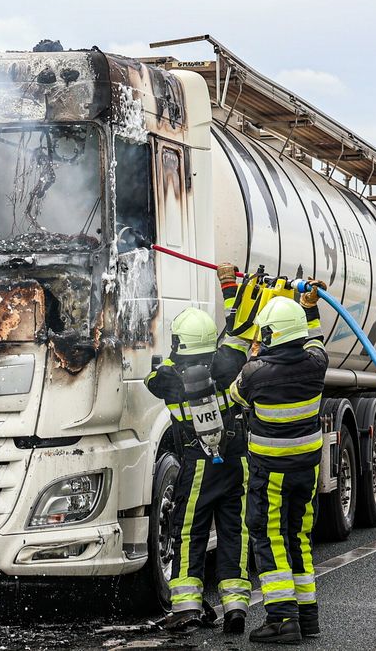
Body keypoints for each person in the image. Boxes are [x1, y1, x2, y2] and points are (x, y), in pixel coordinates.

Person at [145, 263, 252, 633]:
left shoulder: (170, 379)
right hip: (236, 461)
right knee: (233, 532)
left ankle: (187, 605)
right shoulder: (229, 364)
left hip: (199, 462)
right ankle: (236, 606)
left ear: (179, 343)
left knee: (188, 530)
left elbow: (153, 377)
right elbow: (239, 332)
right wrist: (229, 286)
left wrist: (179, 352)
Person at [228, 281, 328, 644]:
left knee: (269, 537)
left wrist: (253, 352)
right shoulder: (317, 364)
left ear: (272, 334)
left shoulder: (257, 372)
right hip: (307, 469)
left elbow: (235, 394)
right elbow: (315, 339)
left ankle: (282, 619)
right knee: (299, 536)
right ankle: (307, 616)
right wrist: (310, 305)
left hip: (270, 472)